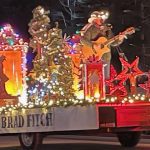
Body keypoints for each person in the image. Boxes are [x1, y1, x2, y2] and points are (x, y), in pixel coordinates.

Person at [80, 10, 126, 80]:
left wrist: (120, 39)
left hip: (106, 56)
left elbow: (113, 43)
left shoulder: (107, 29)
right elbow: (83, 40)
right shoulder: (90, 29)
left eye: (100, 18)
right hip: (93, 58)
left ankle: (106, 90)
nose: (99, 20)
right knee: (94, 79)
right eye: (97, 18)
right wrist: (93, 45)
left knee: (106, 78)